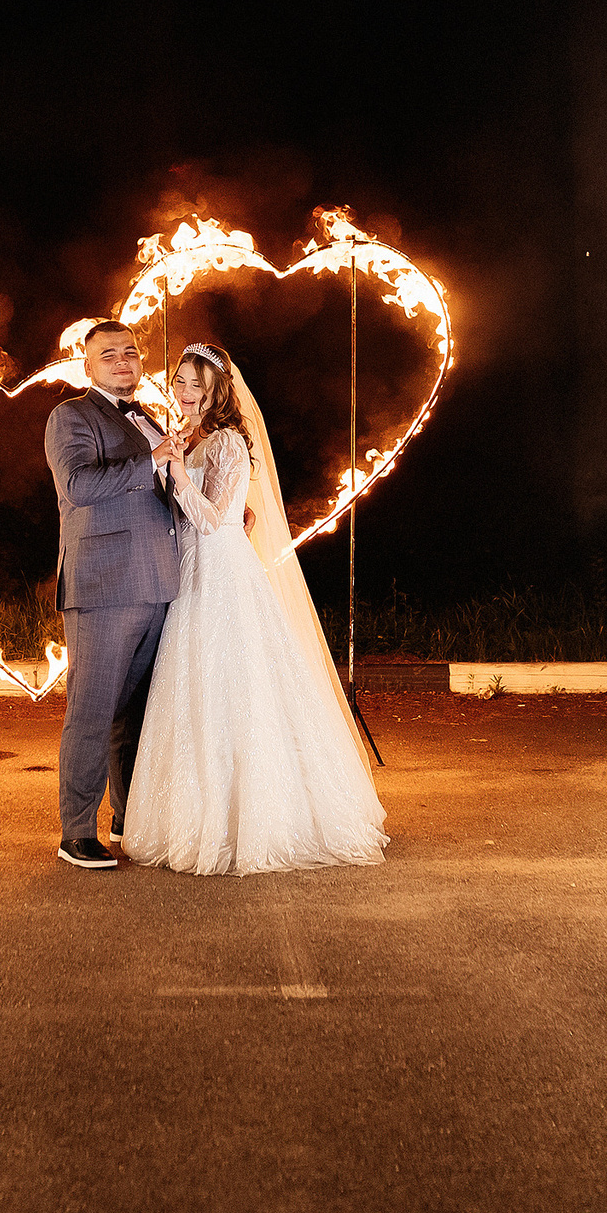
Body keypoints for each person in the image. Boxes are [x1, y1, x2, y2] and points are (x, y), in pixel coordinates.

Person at [121, 342, 388, 875]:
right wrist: (175, 462)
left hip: (222, 576)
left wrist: (173, 469)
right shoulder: (190, 438)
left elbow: (214, 520)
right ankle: (195, 817)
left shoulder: (228, 442)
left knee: (237, 688)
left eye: (198, 385)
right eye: (180, 382)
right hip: (190, 576)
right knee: (194, 688)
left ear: (219, 391)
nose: (185, 392)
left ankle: (256, 821)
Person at [41, 320, 179, 869]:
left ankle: (126, 815)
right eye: (109, 355)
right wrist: (151, 460)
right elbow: (78, 487)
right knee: (93, 712)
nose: (123, 362)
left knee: (138, 713)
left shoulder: (149, 417)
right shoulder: (70, 416)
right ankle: (76, 830)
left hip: (159, 582)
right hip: (102, 584)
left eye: (130, 353)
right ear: (88, 365)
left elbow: (164, 496)